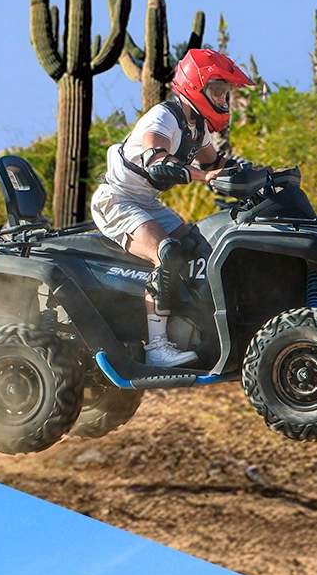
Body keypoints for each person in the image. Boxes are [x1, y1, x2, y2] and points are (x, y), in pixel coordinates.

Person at [91, 46, 252, 366]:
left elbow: (218, 162)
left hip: (146, 202)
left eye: (225, 93)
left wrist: (258, 177)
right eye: (218, 91)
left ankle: (192, 325)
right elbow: (156, 158)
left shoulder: (197, 127)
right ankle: (157, 348)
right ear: (197, 87)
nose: (223, 99)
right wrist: (203, 176)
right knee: (168, 253)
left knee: (197, 244)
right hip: (118, 200)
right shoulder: (164, 116)